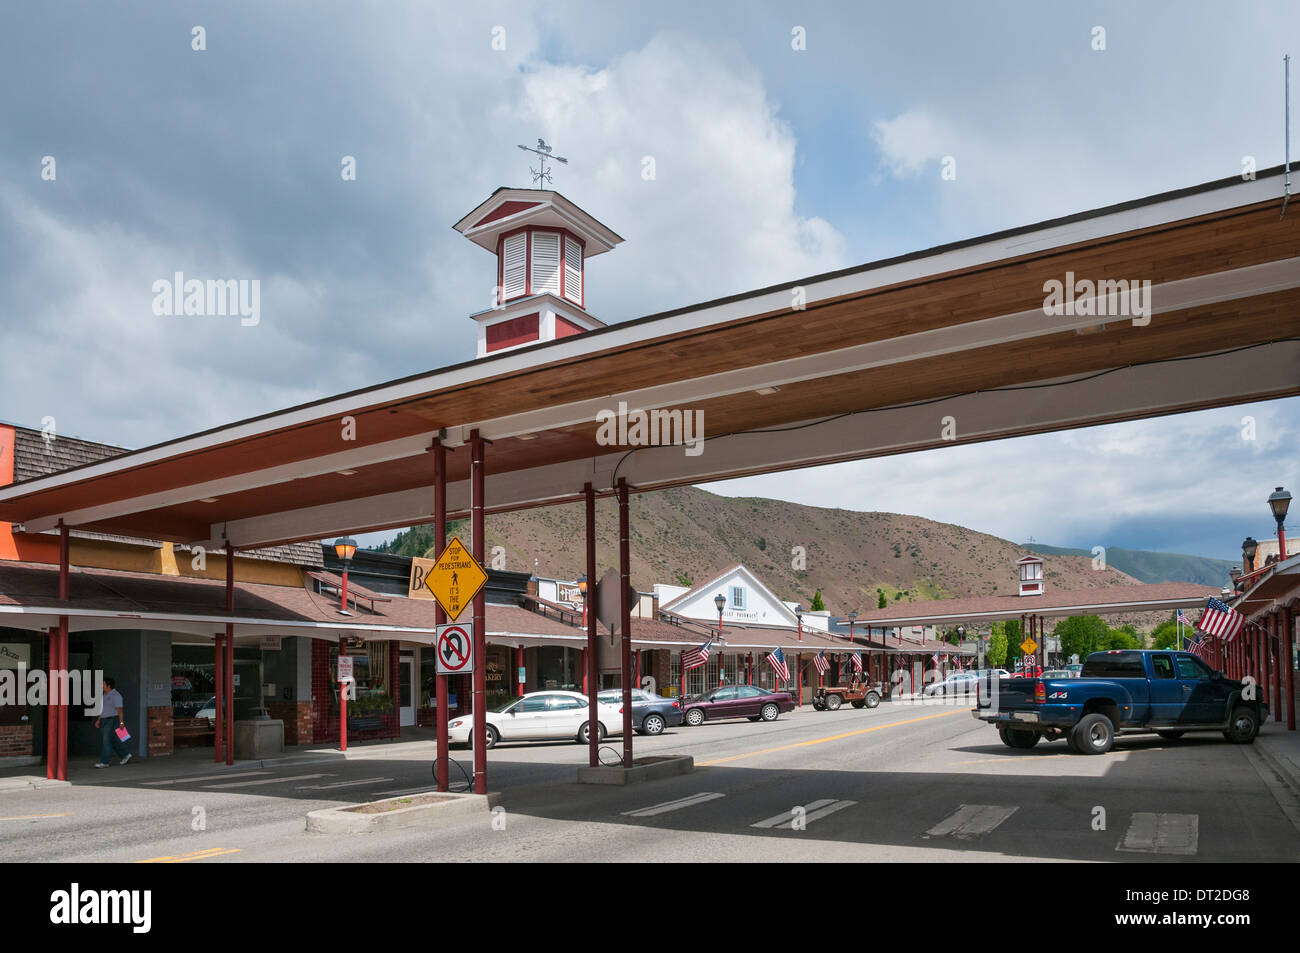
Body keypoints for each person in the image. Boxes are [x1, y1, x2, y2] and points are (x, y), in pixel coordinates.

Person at [93, 676, 132, 767]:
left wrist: (121, 722)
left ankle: (104, 762)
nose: (102, 686)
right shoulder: (104, 695)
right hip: (104, 720)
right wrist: (99, 720)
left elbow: (120, 710)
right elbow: (103, 709)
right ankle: (125, 755)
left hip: (112, 720)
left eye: (103, 684)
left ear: (109, 686)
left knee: (106, 741)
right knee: (113, 740)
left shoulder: (116, 695)